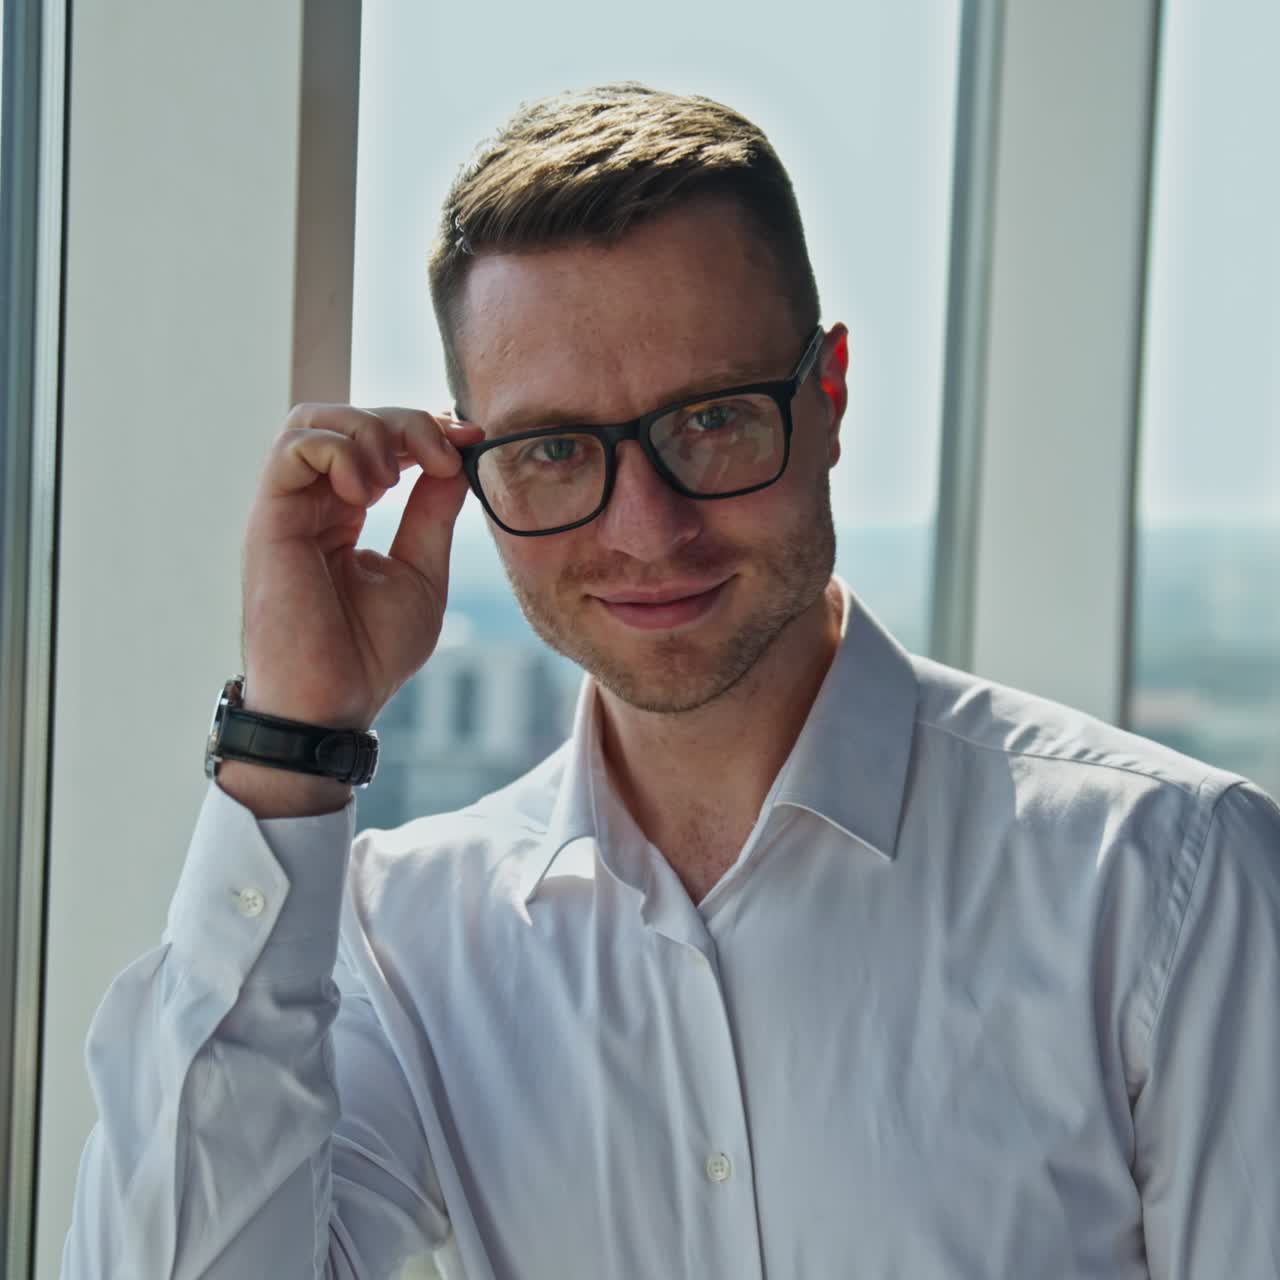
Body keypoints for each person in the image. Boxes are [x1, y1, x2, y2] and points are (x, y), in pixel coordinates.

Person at [64, 82, 1279, 1280]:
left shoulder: (1168, 880)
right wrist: (288, 740)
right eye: (553, 448)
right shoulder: (406, 939)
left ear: (829, 396)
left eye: (710, 421)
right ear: (470, 466)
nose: (647, 529)